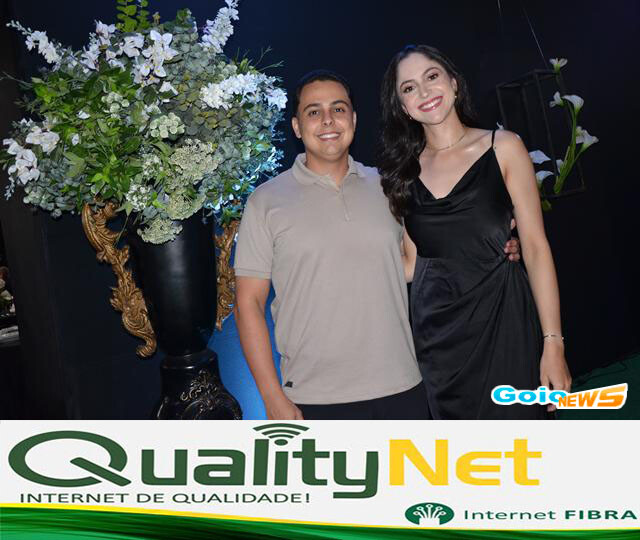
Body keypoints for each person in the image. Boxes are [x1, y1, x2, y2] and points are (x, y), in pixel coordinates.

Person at [233, 70, 519, 420]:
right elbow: (249, 303)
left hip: (403, 388)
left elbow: (418, 263)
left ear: (353, 120)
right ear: (296, 126)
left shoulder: (389, 187)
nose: (328, 120)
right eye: (313, 111)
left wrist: (491, 247)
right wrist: (271, 395)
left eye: (338, 109)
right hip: (311, 399)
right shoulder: (265, 201)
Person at [378, 45, 572, 419]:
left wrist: (553, 343)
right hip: (438, 341)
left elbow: (535, 247)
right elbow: (411, 265)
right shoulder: (402, 174)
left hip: (505, 322)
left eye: (432, 76)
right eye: (409, 88)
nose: (424, 92)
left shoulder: (504, 147)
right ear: (402, 107)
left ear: (453, 82)